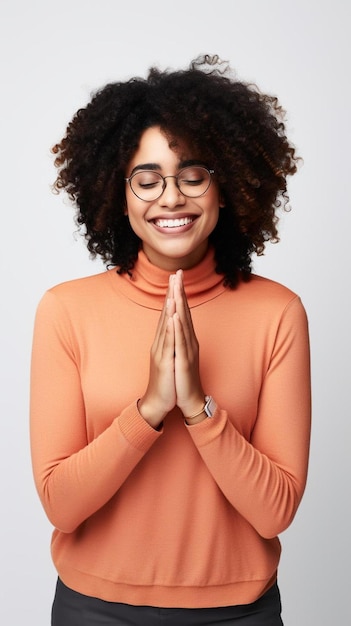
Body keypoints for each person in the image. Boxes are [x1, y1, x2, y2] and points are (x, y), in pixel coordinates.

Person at [30, 54, 311, 625]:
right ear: (121, 192)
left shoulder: (277, 313)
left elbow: (275, 511)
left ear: (225, 186)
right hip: (94, 610)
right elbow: (60, 503)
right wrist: (150, 409)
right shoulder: (66, 310)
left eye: (192, 175)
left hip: (238, 613)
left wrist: (199, 410)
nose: (171, 198)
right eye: (148, 179)